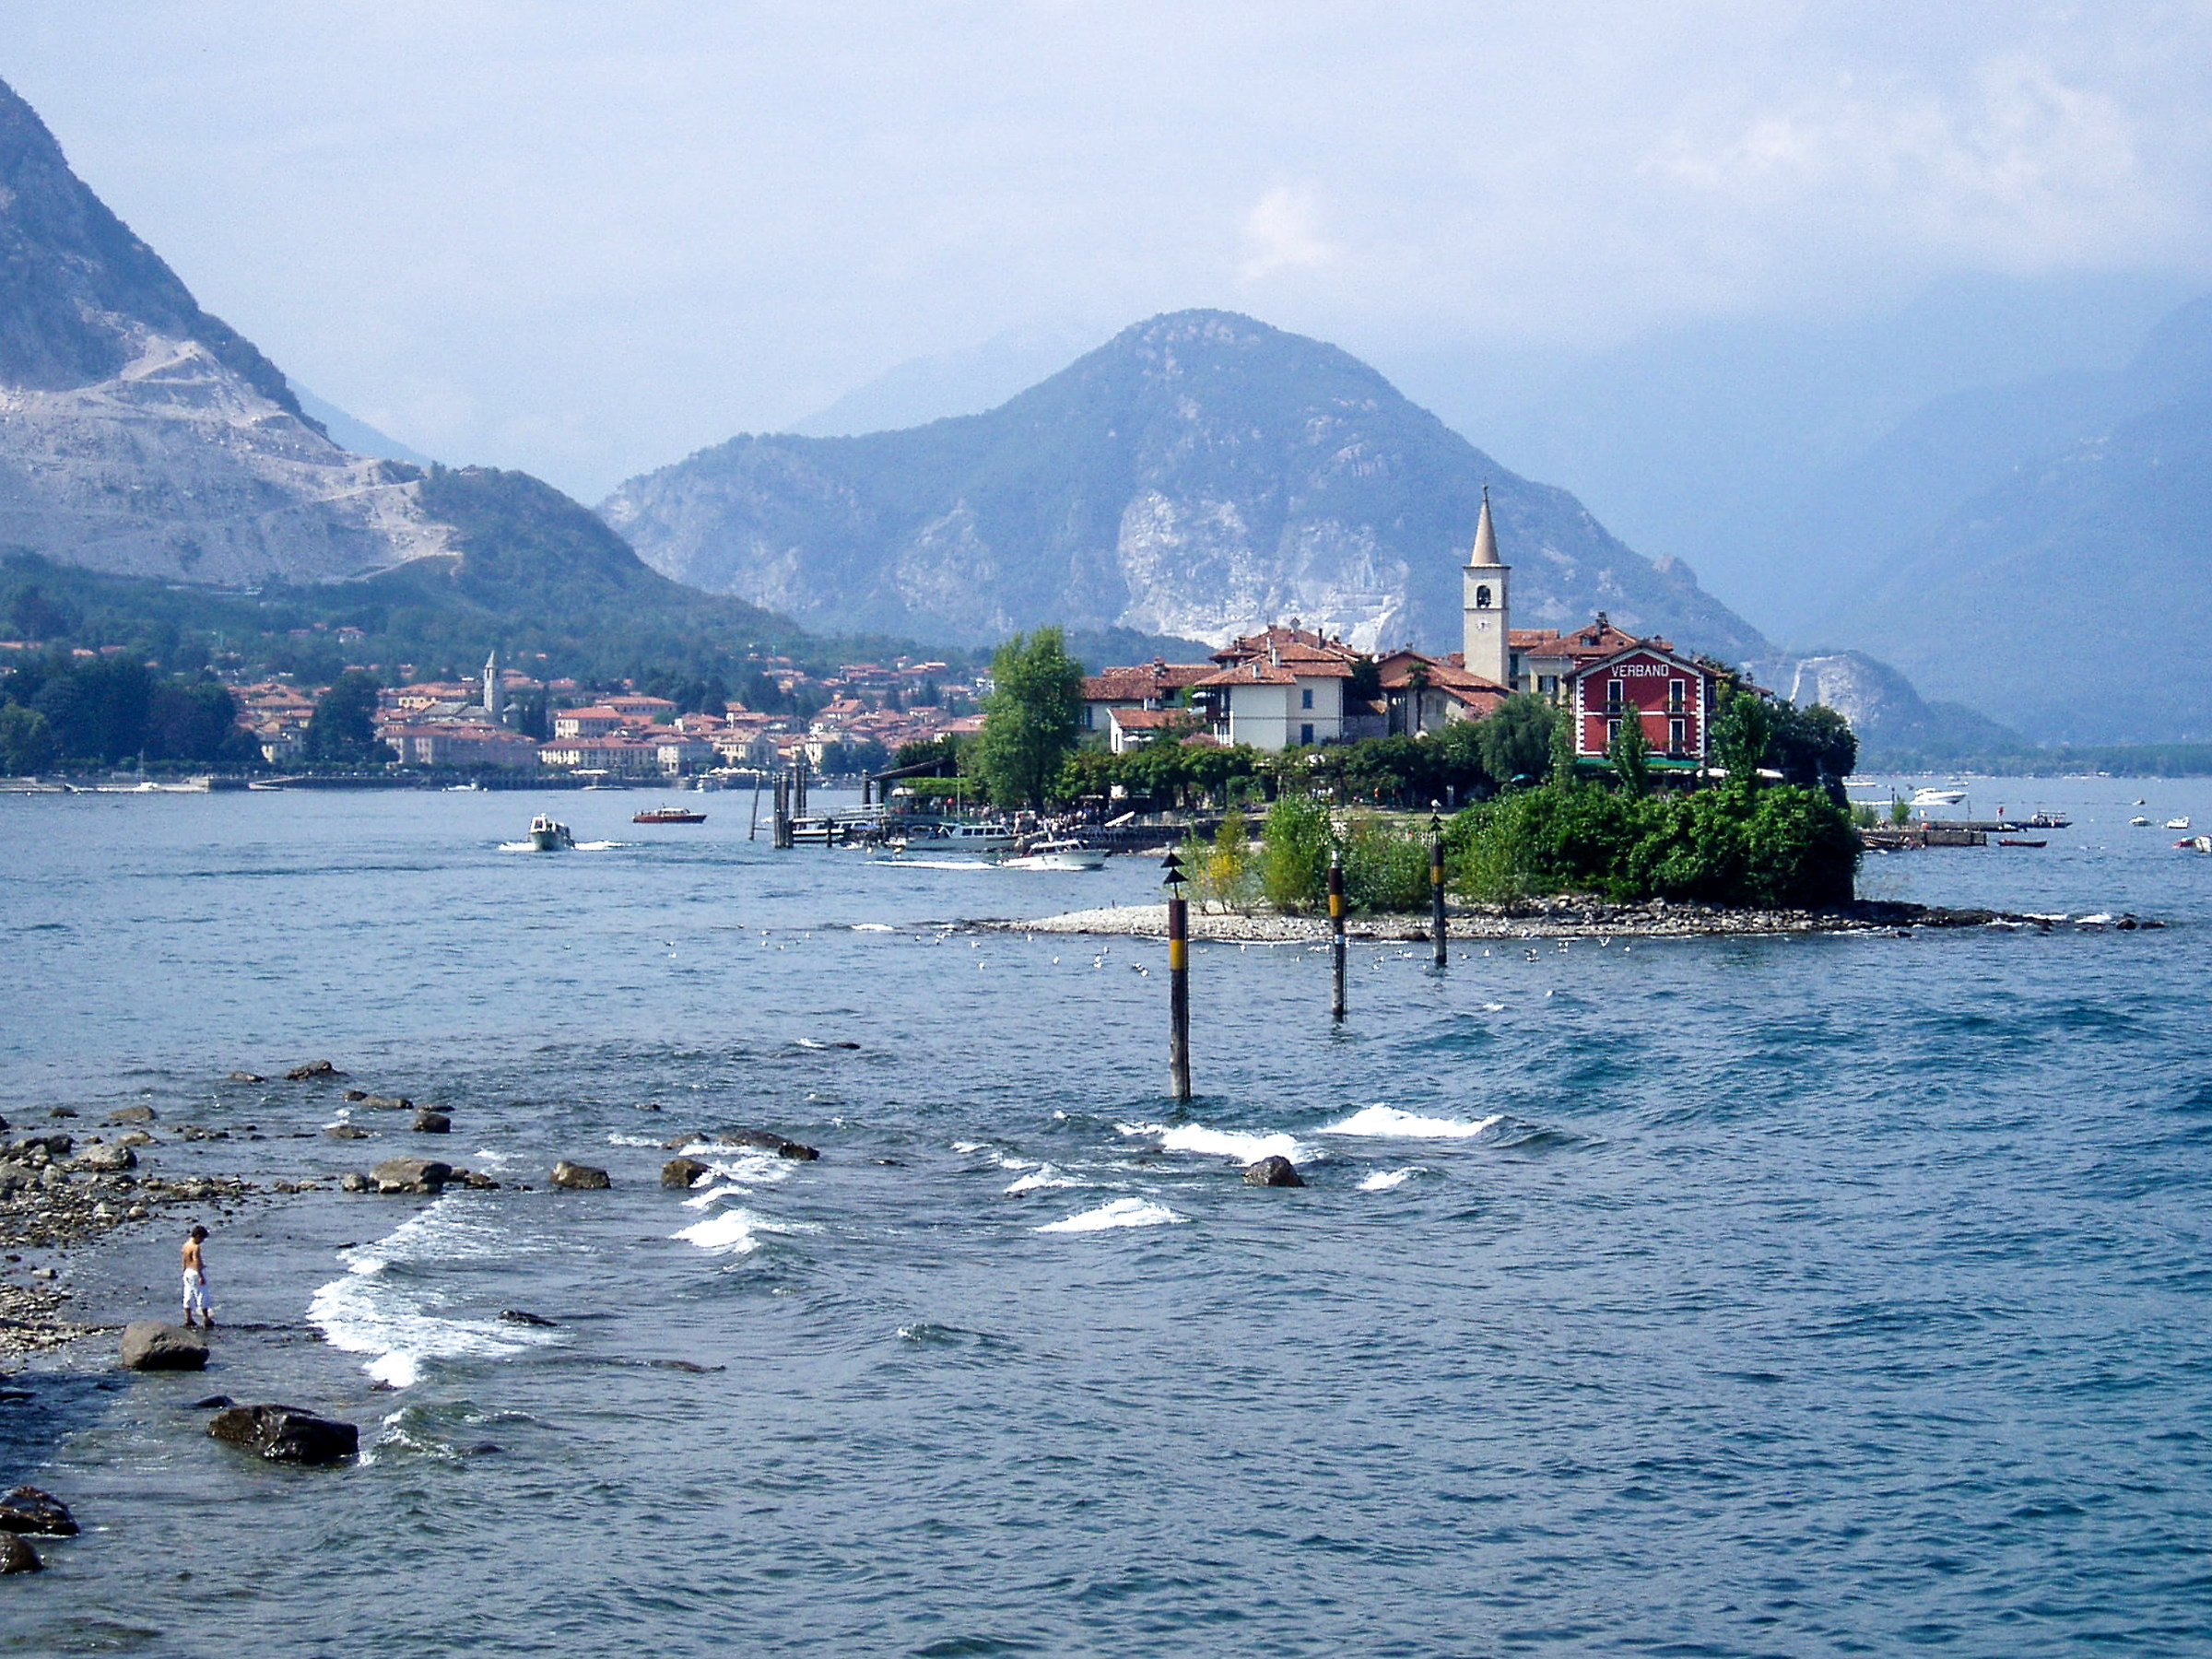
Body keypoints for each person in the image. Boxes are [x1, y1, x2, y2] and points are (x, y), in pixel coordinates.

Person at [181, 1224, 211, 1330]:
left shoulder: (186, 1245)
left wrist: (184, 1271)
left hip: (187, 1272)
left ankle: (188, 1319)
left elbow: (184, 1260)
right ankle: (206, 1318)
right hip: (195, 1272)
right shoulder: (195, 1247)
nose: (202, 1240)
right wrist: (201, 1275)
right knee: (202, 1295)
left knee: (188, 1296)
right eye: (202, 1238)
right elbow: (196, 1260)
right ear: (198, 1236)